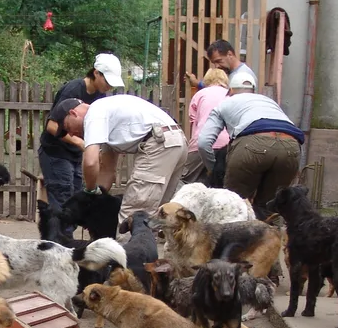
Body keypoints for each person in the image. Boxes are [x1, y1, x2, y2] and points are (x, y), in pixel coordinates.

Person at [62, 94, 186, 227]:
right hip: (176, 141)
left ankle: (126, 248)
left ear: (73, 113)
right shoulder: (107, 117)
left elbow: (90, 162)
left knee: (132, 215)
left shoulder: (93, 114)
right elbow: (107, 170)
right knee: (156, 217)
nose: (72, 134)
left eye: (69, 128)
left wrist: (89, 191)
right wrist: (96, 199)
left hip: (160, 142)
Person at [197, 64, 304, 215]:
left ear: (230, 91)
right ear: (253, 91)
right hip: (291, 145)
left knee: (233, 205)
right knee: (269, 207)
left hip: (252, 143)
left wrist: (213, 168)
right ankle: (267, 236)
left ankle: (234, 237)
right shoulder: (269, 101)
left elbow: (203, 142)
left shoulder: (225, 103)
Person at [36, 53, 124, 217]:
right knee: (63, 202)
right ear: (96, 73)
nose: (110, 87)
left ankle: (66, 240)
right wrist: (81, 143)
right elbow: (52, 125)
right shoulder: (73, 89)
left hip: (74, 155)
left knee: (74, 202)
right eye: (108, 81)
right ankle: (58, 240)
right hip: (56, 153)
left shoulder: (100, 96)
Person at [181, 67, 231, 184]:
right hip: (226, 146)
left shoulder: (200, 94)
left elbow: (194, 120)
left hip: (201, 143)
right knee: (222, 182)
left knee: (185, 181)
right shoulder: (231, 95)